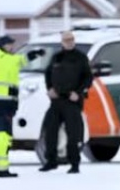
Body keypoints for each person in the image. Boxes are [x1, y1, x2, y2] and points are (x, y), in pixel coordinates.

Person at [0, 35, 45, 177]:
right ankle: (2, 169)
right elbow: (21, 60)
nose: (12, 47)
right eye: (9, 45)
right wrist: (35, 54)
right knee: (4, 136)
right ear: (3, 46)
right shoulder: (7, 60)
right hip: (4, 102)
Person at [39, 31, 93, 174]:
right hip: (56, 100)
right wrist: (49, 89)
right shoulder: (57, 57)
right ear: (62, 42)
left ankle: (74, 163)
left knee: (73, 134)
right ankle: (51, 161)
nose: (69, 42)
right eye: (66, 40)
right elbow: (47, 74)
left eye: (71, 39)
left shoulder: (81, 58)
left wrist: (79, 92)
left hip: (72, 100)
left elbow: (88, 78)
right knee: (50, 131)